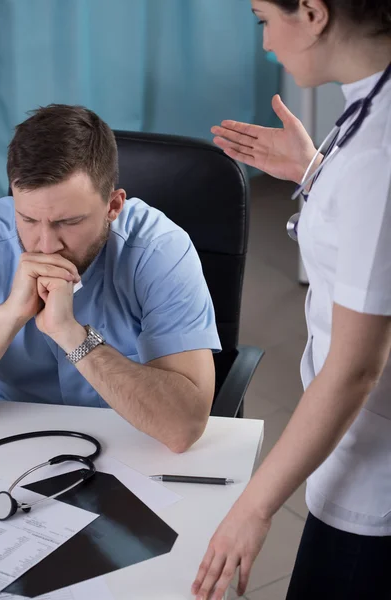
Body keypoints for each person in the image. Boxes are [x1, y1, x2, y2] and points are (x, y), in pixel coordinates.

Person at [191, 1, 391, 599]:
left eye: (263, 21)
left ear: (311, 12)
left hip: (372, 479)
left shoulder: (377, 156)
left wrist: (253, 508)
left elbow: (355, 369)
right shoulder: (370, 116)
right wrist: (314, 171)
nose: (266, 45)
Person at [0, 104, 221, 454]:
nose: (46, 245)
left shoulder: (160, 250)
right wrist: (9, 316)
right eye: (28, 219)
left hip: (129, 440)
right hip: (7, 443)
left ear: (113, 206)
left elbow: (181, 427)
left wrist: (70, 334)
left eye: (68, 222)